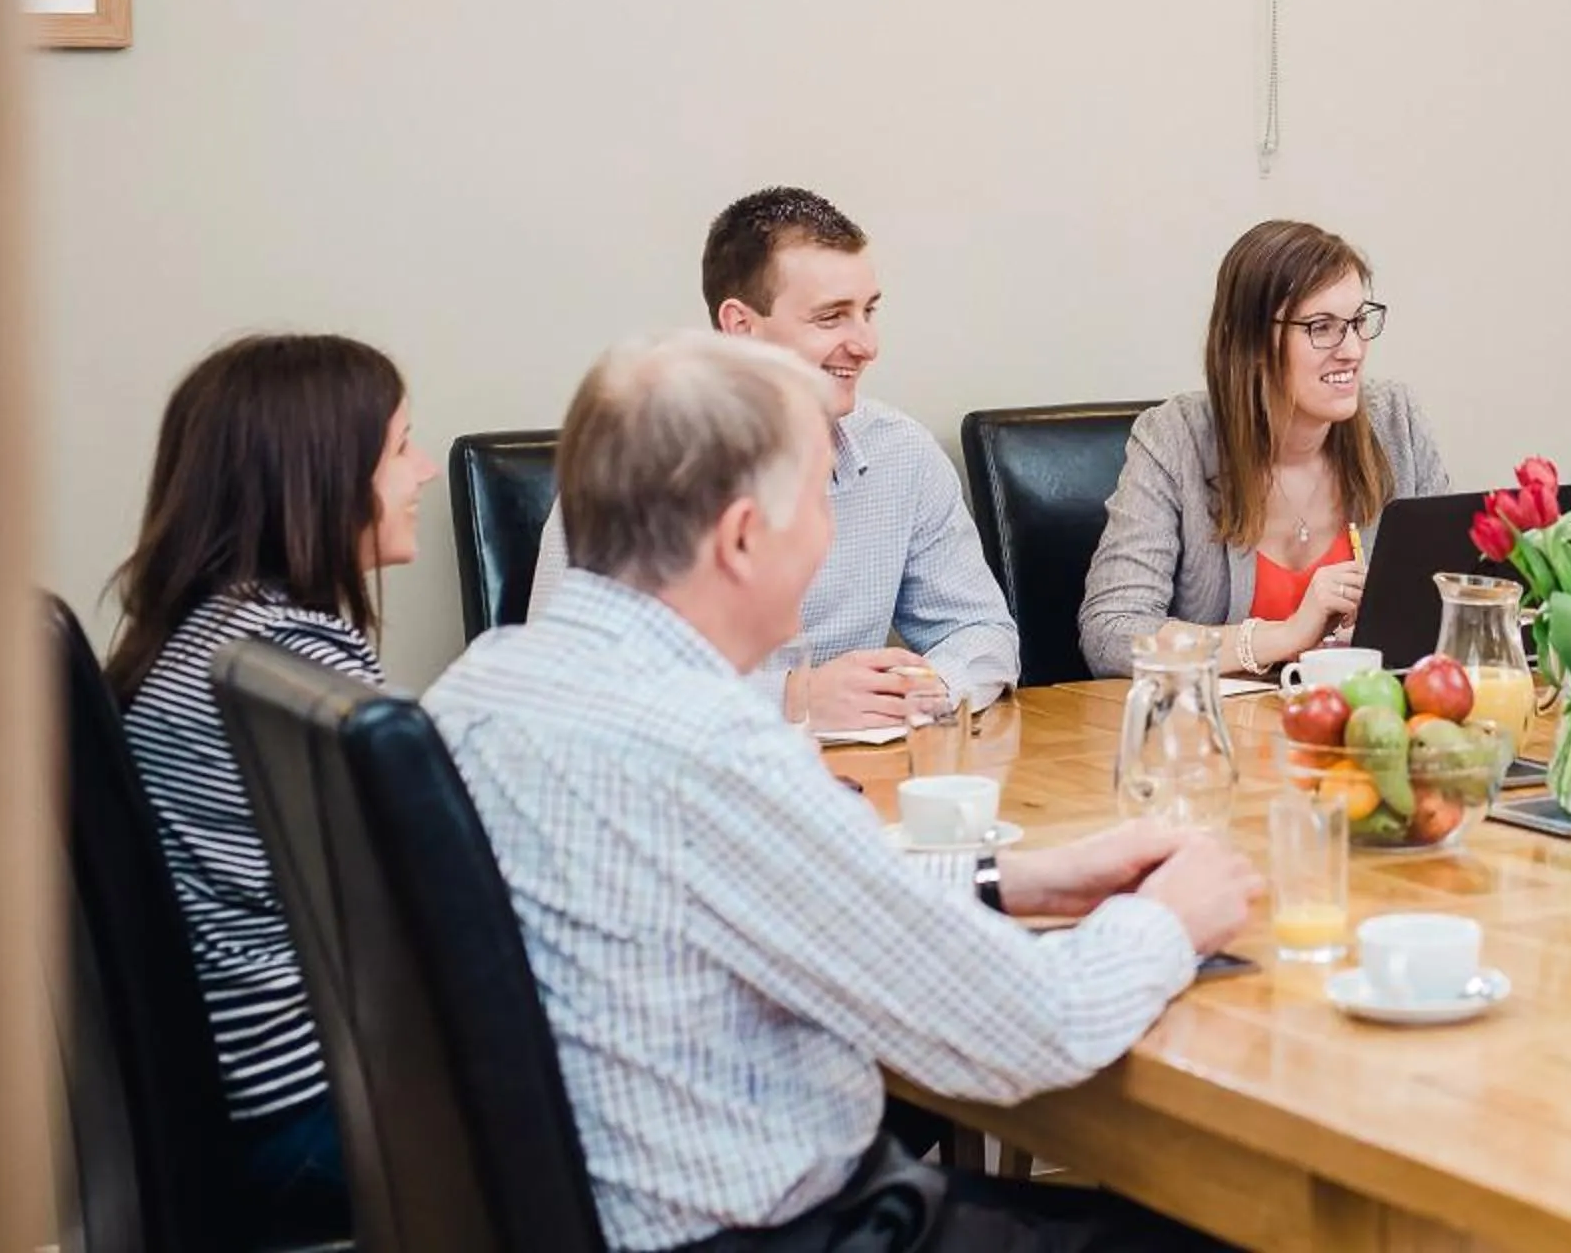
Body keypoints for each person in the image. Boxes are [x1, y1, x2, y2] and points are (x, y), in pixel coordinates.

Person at [428, 332, 1257, 1252]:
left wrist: (1010, 882)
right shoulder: (719, 750)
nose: (829, 534)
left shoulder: (479, 689)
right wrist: (1172, 919)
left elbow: (762, 898)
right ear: (744, 538)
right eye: (815, 501)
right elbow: (1028, 1028)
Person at [107, 333, 440, 1243]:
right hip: (311, 1113)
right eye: (402, 445)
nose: (423, 472)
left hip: (244, 1096)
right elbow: (437, 900)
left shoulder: (209, 637)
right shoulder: (294, 665)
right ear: (323, 477)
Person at [529, 186, 1017, 728]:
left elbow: (982, 632)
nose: (867, 344)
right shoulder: (638, 460)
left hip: (872, 779)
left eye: (868, 311)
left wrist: (919, 690)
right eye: (831, 317)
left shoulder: (901, 453)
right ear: (741, 326)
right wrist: (789, 697)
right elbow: (566, 679)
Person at [1080, 220, 1448, 678]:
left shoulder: (1396, 423)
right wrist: (1289, 635)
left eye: (1357, 322)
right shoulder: (1175, 440)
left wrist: (1385, 638)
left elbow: (1452, 607)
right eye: (1321, 327)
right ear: (1250, 342)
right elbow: (1110, 634)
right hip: (1220, 740)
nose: (1352, 349)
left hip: (1362, 733)